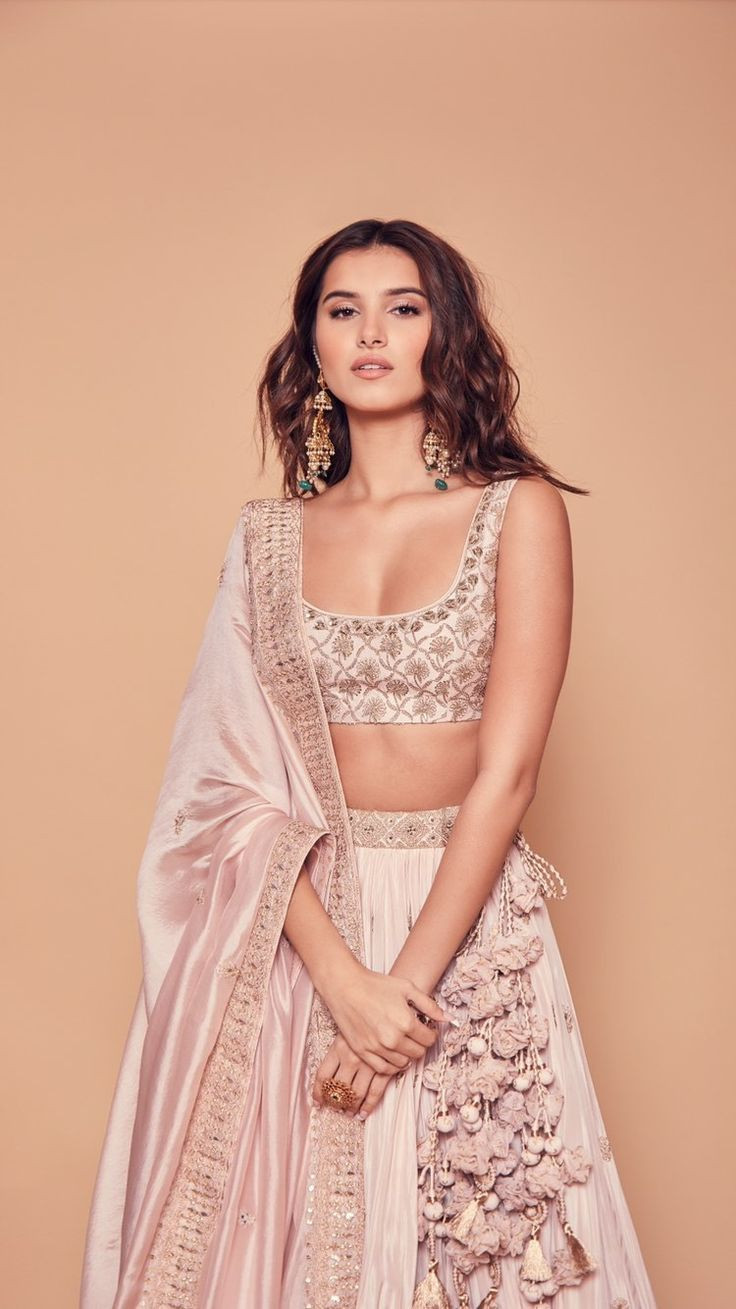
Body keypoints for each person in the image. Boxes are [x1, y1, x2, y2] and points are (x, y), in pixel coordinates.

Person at [80, 218, 658, 1309]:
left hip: (465, 921)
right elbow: (228, 786)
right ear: (313, 343)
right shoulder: (268, 538)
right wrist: (345, 981)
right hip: (305, 928)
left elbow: (507, 776)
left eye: (404, 307)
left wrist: (405, 991)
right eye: (342, 310)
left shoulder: (516, 511)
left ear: (449, 333)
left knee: (484, 1234)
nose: (371, 333)